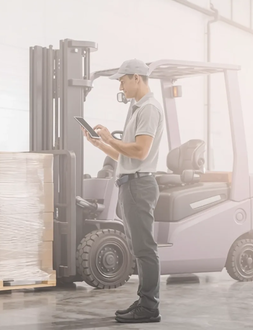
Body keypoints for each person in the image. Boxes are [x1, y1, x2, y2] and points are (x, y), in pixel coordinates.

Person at [82, 59, 164, 323]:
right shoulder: (136, 108)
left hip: (139, 185)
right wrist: (101, 145)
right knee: (138, 247)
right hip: (130, 183)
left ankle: (150, 308)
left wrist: (110, 139)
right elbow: (124, 155)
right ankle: (144, 301)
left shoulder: (149, 109)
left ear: (137, 78)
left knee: (145, 249)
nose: (121, 84)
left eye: (122, 79)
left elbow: (141, 151)